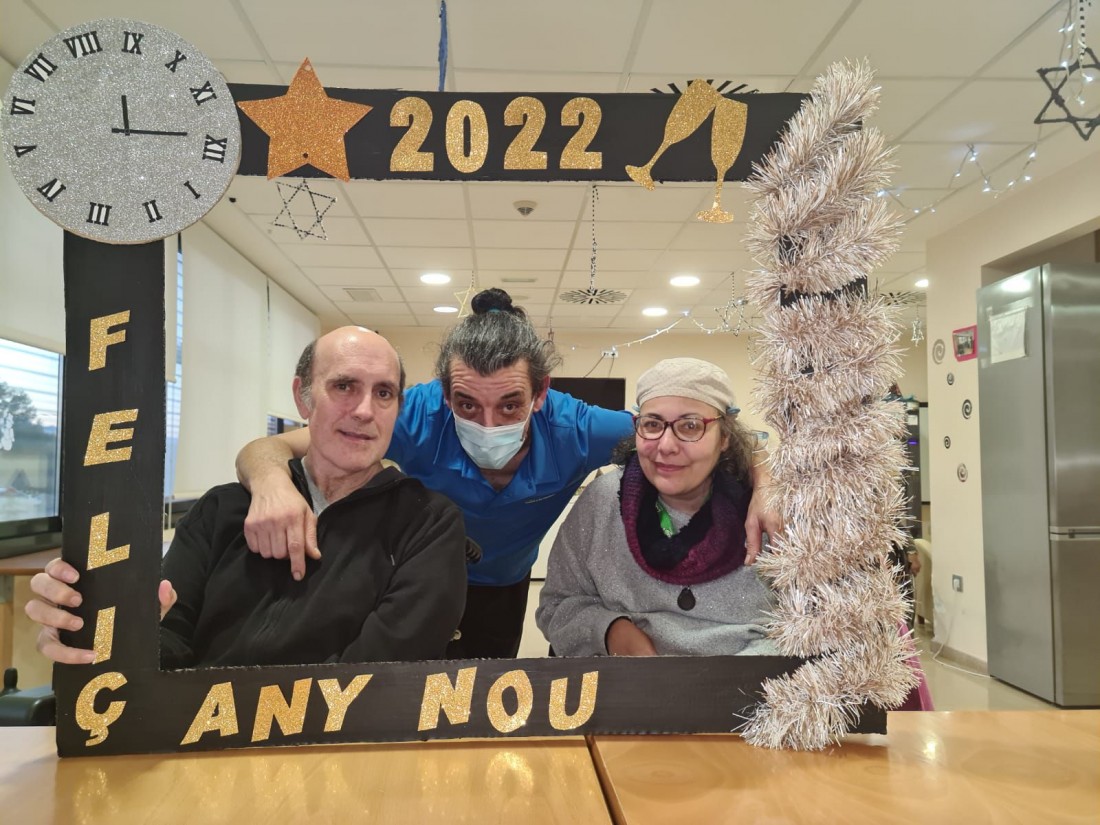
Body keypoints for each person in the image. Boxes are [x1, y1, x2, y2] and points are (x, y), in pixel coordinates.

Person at [236, 289, 783, 659]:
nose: (488, 423)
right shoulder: (416, 415)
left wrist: (768, 484)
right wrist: (271, 482)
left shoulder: (578, 428)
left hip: (506, 584)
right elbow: (273, 446)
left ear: (541, 394)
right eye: (467, 405)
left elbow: (703, 436)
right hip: (411, 576)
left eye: (511, 405)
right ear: (444, 395)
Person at [26, 327, 468, 667]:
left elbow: (378, 678)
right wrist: (97, 632)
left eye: (384, 393)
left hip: (336, 752)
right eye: (344, 386)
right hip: (195, 742)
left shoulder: (427, 525)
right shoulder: (222, 511)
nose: (365, 410)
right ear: (303, 398)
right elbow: (168, 641)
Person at [536, 358, 776, 656]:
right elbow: (556, 606)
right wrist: (609, 630)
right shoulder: (602, 503)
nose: (666, 445)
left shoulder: (768, 512)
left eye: (691, 426)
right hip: (630, 682)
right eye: (652, 424)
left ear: (725, 436)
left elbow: (817, 622)